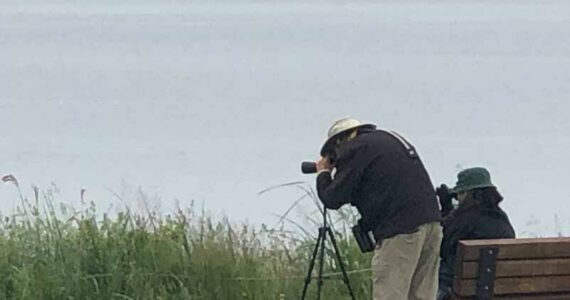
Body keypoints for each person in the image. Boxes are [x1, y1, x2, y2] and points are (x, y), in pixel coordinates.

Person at [315, 117, 442, 300]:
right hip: (432, 224)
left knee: (390, 294)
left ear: (340, 141)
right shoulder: (390, 138)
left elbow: (332, 198)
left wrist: (324, 173)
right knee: (422, 295)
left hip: (400, 230)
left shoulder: (355, 149)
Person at [436, 167, 515, 300]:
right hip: (498, 291)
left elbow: (442, 248)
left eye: (460, 194)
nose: (458, 199)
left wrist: (445, 209)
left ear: (468, 194)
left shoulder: (464, 220)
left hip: (462, 292)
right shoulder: (501, 218)